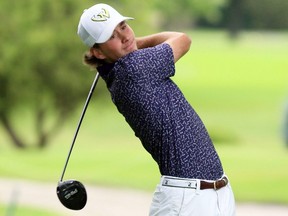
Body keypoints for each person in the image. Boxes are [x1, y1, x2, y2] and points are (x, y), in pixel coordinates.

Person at [77, 3, 236, 216]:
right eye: (112, 36)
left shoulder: (122, 70)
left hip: (210, 194)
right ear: (98, 51)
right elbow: (183, 40)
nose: (124, 36)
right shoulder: (134, 68)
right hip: (187, 200)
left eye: (123, 26)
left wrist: (127, 45)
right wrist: (138, 42)